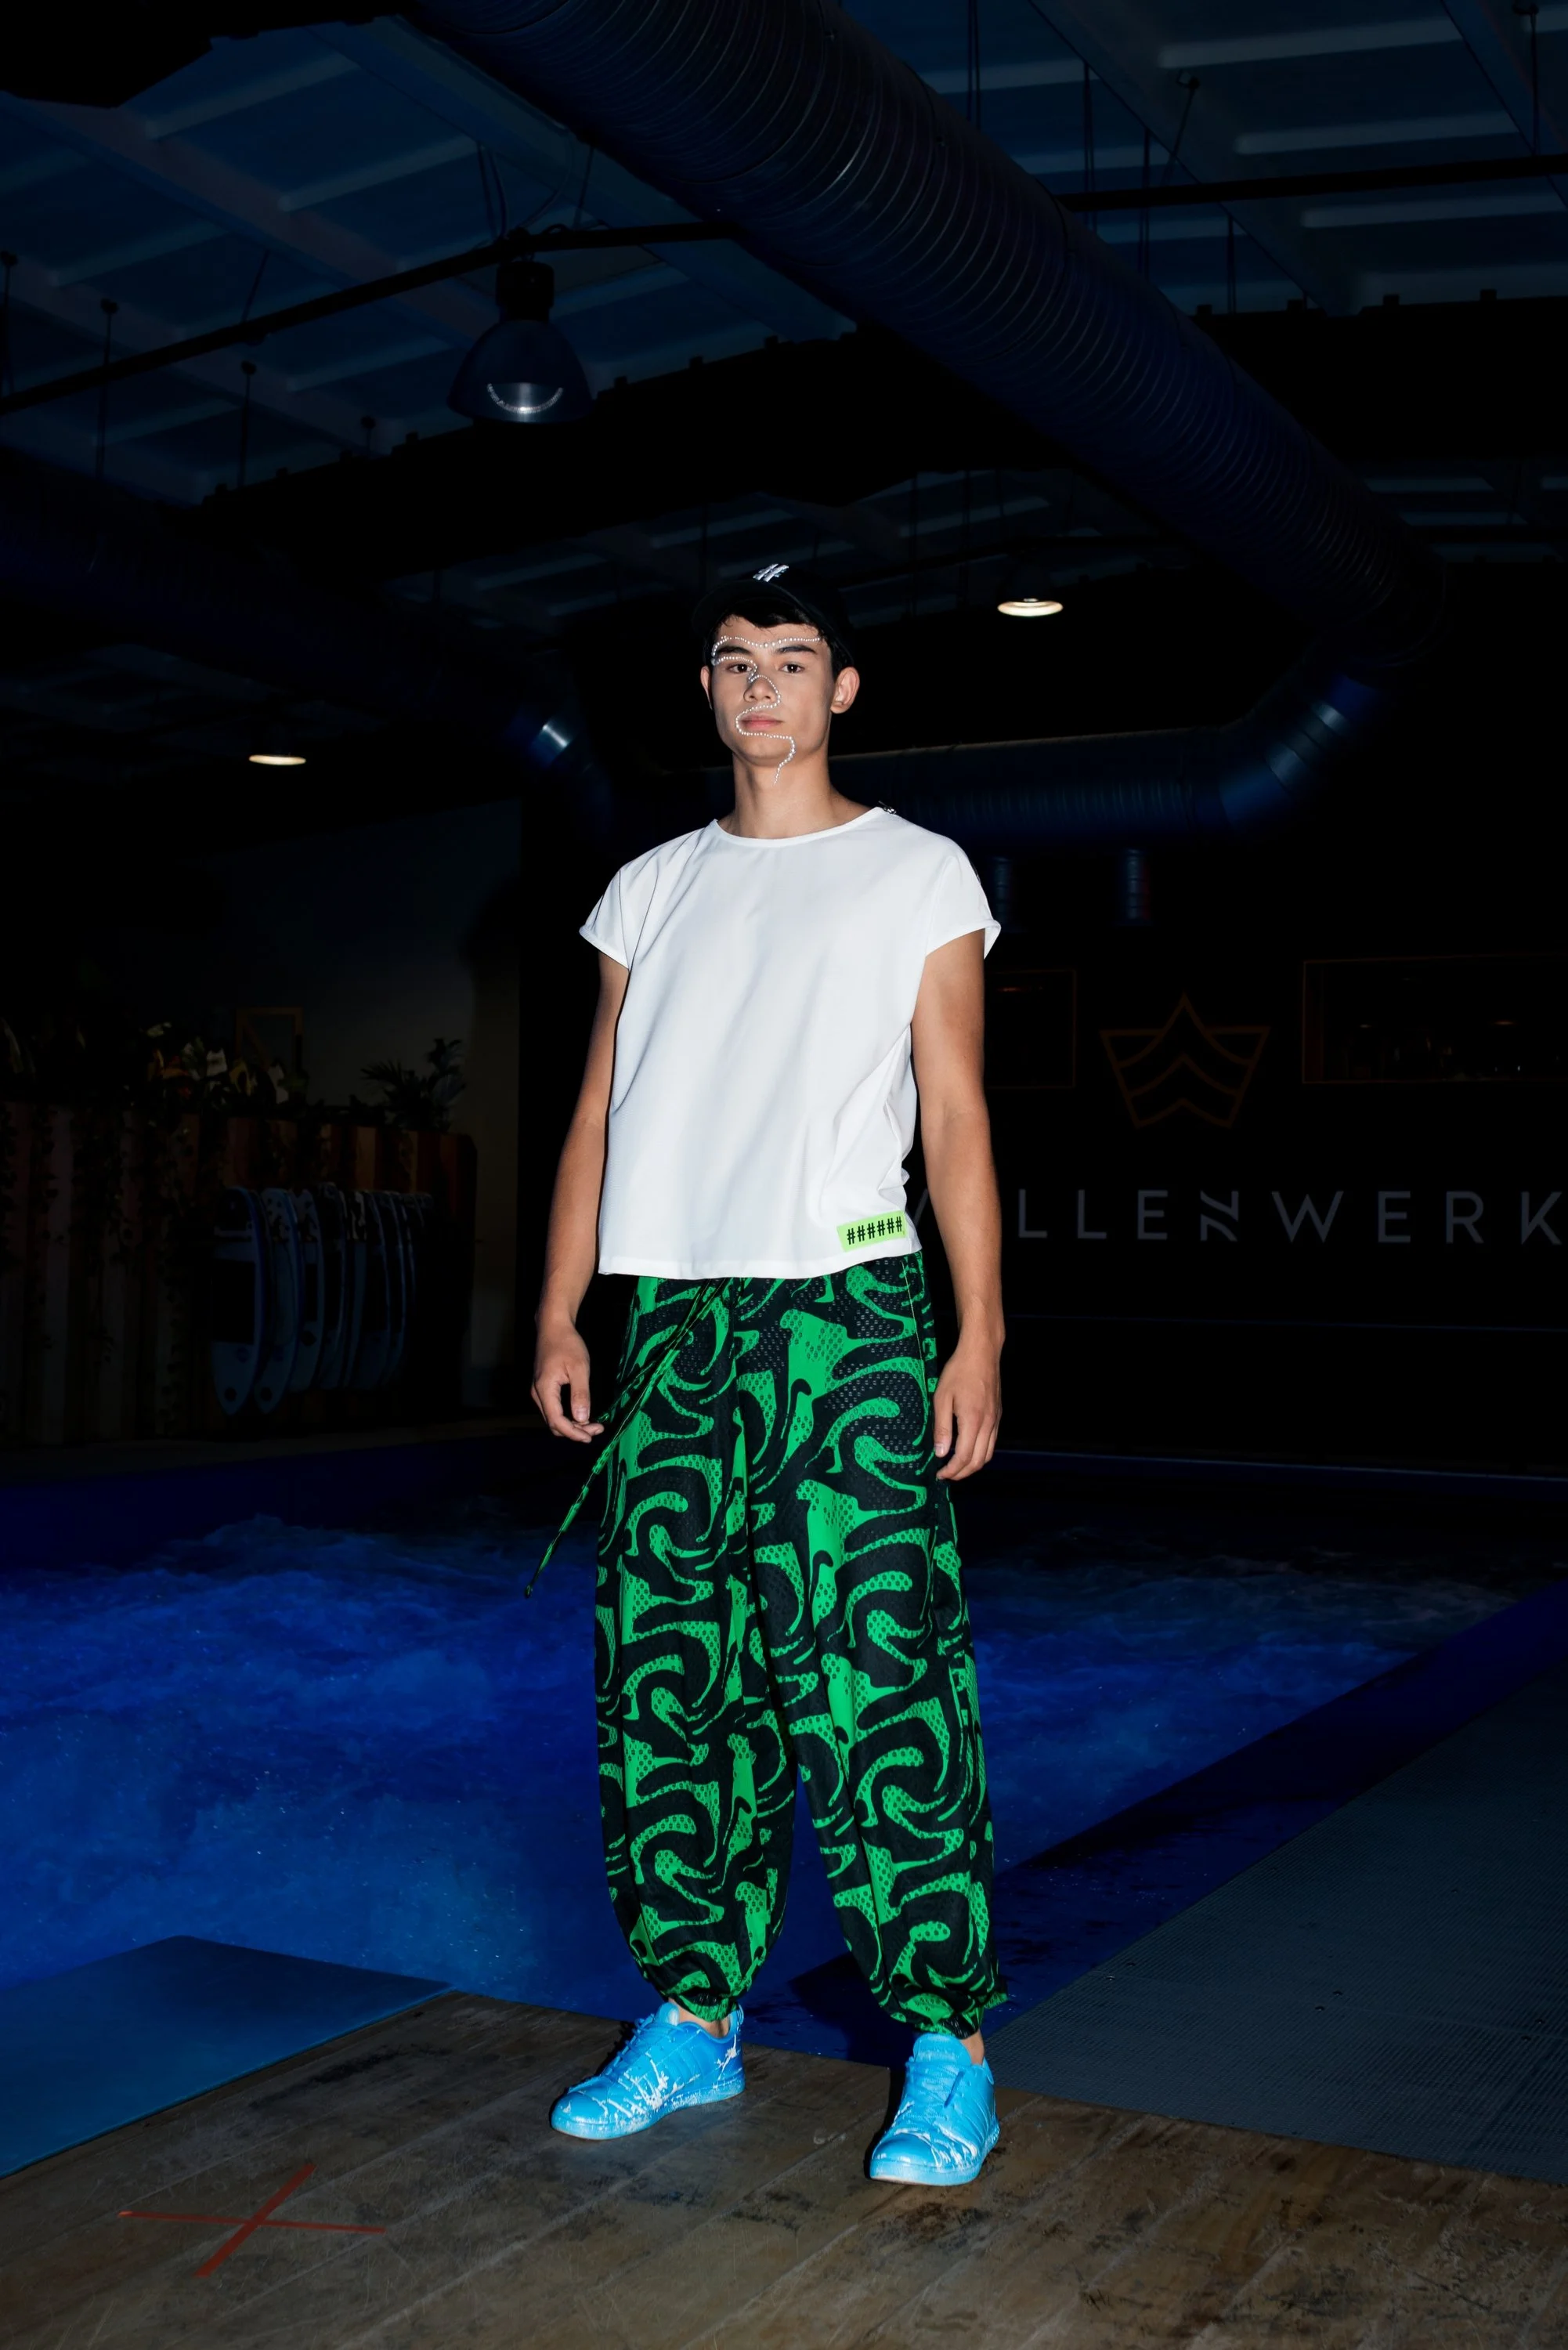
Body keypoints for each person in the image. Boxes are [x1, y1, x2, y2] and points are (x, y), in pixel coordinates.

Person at [530, 562, 1006, 2186]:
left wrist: (978, 1331)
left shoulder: (916, 872)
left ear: (840, 690)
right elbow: (592, 1118)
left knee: (876, 1681)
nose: (761, 687)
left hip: (848, 1309)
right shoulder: (647, 889)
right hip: (675, 1321)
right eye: (736, 660)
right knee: (674, 1682)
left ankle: (946, 2046)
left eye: (793, 661)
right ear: (709, 688)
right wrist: (561, 1312)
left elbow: (956, 1114)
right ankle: (693, 2015)